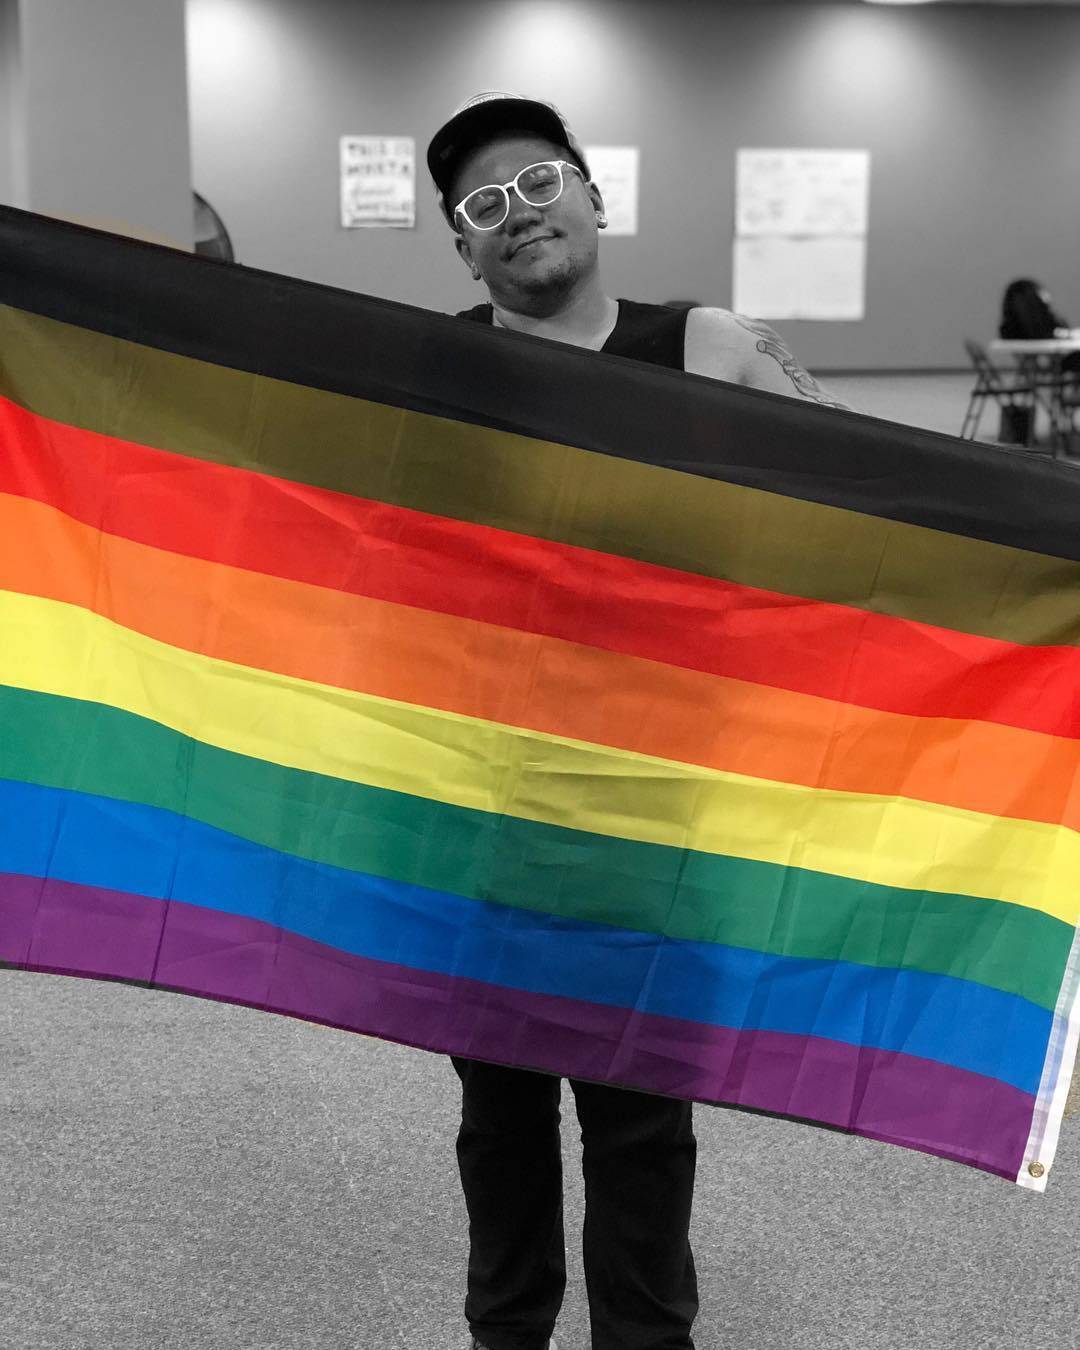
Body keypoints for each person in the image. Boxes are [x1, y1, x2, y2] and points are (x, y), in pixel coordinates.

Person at [425, 91, 847, 1350]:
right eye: (483, 208)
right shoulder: (437, 372)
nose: (519, 216)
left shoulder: (704, 348)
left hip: (656, 798)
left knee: (638, 1113)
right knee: (499, 1114)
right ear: (464, 249)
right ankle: (507, 1333)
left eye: (539, 183)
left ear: (593, 195)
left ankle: (646, 1339)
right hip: (489, 801)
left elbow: (860, 503)